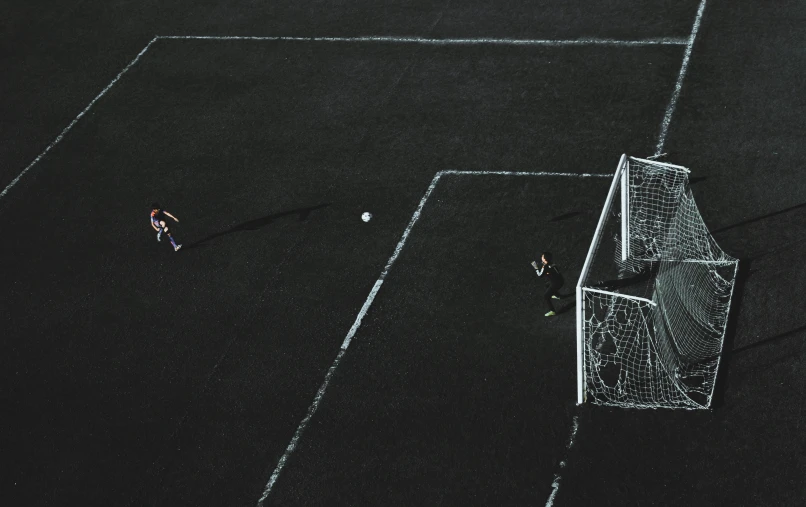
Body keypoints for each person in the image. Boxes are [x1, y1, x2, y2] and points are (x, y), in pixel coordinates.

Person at [531, 251, 564, 317]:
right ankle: (558, 296)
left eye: (542, 257)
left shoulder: (545, 267)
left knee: (546, 296)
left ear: (545, 259)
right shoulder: (552, 264)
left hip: (556, 284)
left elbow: (540, 275)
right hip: (561, 281)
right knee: (547, 285)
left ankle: (552, 311)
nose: (541, 257)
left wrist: (536, 268)